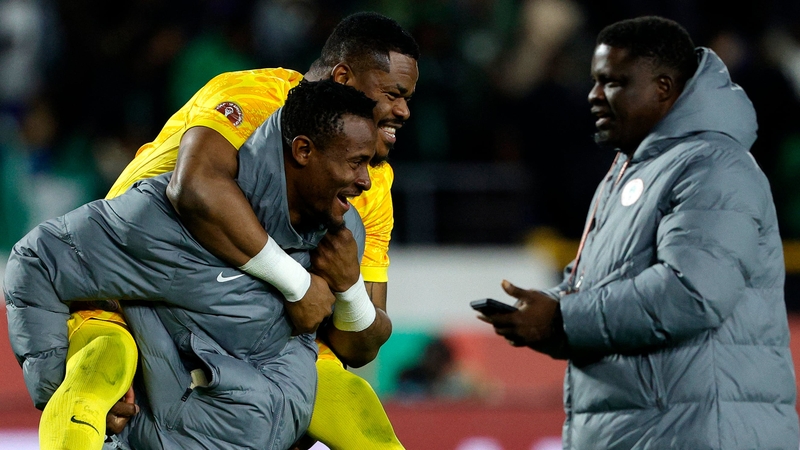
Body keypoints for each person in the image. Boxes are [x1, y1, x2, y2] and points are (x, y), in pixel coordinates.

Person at [20, 10, 419, 450]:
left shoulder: (373, 184)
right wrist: (298, 284)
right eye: (394, 94)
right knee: (99, 371)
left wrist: (349, 288)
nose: (403, 111)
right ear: (343, 79)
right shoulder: (254, 100)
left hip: (246, 340)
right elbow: (194, 186)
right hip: (132, 298)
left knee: (354, 403)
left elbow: (358, 345)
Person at [477, 15, 799, 449]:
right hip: (648, 432)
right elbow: (598, 293)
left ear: (663, 88)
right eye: (594, 81)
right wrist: (548, 317)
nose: (593, 96)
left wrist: (562, 318)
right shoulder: (626, 173)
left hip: (700, 435)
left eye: (613, 82)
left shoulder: (713, 166)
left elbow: (691, 294)